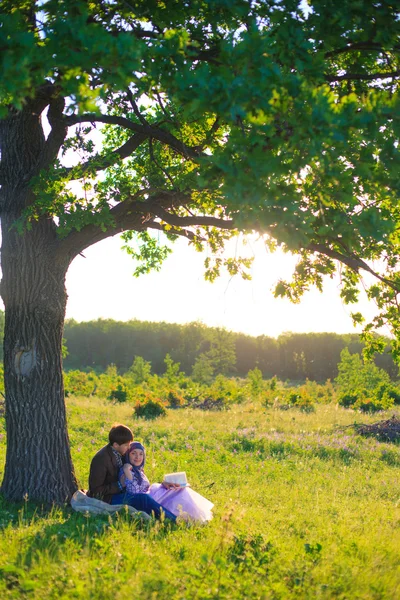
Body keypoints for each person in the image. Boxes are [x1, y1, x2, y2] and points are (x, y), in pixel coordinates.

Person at [88, 424, 176, 521]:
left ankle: (176, 514)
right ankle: (174, 521)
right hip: (109, 498)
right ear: (116, 445)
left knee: (162, 491)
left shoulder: (120, 452)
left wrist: (161, 484)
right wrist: (119, 485)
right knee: (143, 499)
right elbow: (95, 490)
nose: (129, 447)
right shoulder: (101, 459)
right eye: (126, 445)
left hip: (125, 491)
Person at [122, 441, 214, 523]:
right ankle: (184, 519)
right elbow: (132, 489)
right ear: (127, 455)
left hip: (150, 494)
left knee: (179, 489)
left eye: (141, 454)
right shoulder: (125, 470)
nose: (138, 457)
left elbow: (145, 487)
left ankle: (194, 517)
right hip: (142, 499)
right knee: (175, 493)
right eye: (133, 453)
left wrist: (163, 484)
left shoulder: (140, 471)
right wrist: (127, 471)